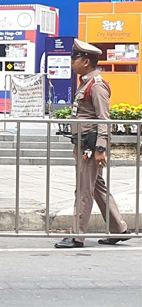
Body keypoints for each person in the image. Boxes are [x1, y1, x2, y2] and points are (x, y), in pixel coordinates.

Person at [55, 39, 132, 249]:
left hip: (90, 147)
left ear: (86, 61)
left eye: (75, 58)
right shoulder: (86, 82)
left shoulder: (96, 86)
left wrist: (100, 149)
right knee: (97, 188)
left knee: (83, 190)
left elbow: (103, 120)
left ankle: (77, 236)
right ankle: (119, 229)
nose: (72, 62)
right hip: (83, 145)